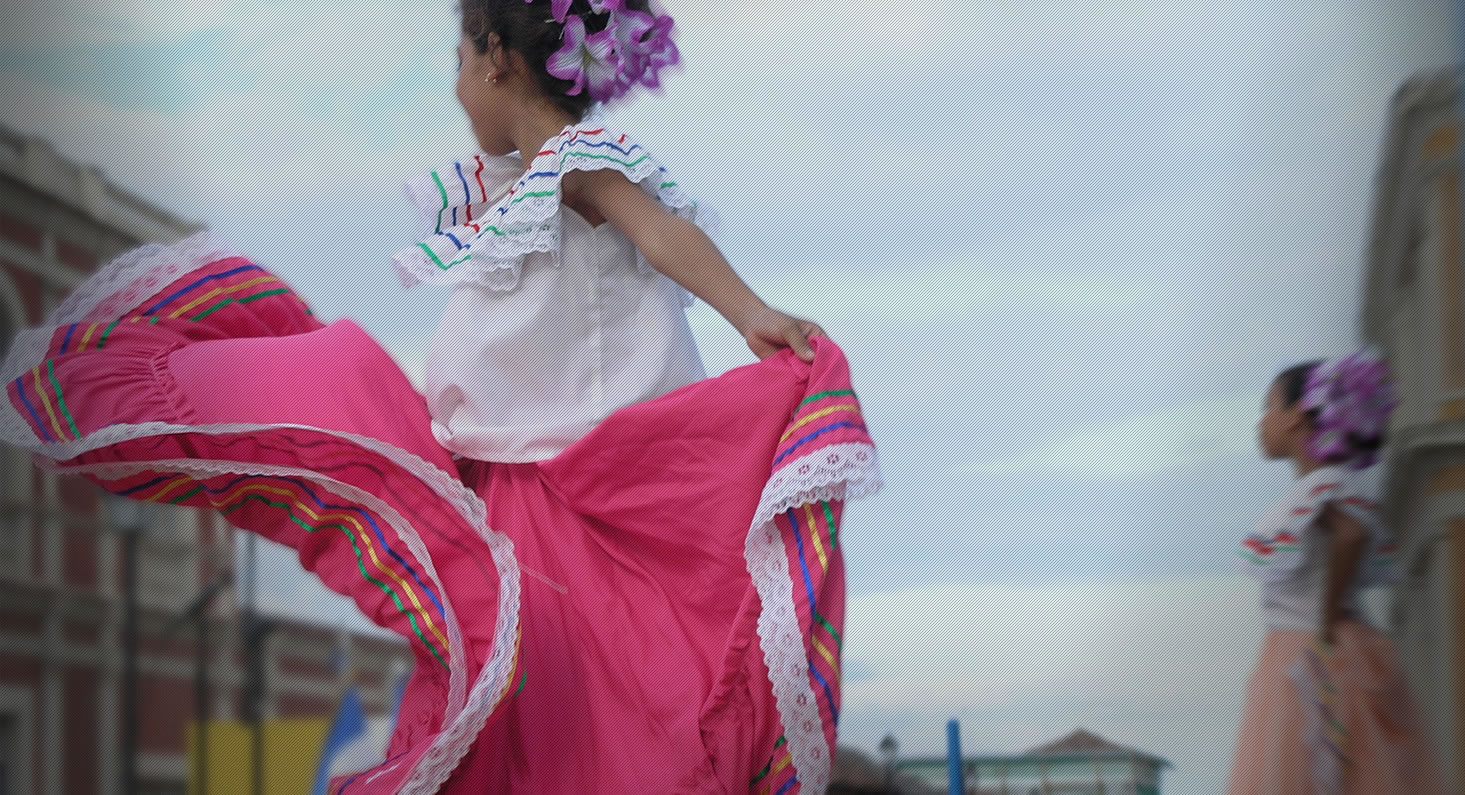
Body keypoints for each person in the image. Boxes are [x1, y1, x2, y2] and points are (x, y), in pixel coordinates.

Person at [0, 1, 881, 791]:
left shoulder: (578, 162)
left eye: (459, 60)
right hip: (490, 489)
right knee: (518, 712)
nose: (456, 85)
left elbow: (660, 230)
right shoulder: (504, 190)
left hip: (562, 501)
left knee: (574, 720)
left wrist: (750, 312)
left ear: (498, 58)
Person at [1227, 350, 1445, 794]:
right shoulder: (1339, 484)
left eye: (1270, 407)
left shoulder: (1320, 486)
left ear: (1297, 416)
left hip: (1305, 648)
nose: (1262, 422)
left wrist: (1324, 620)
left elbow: (1350, 535)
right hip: (1344, 645)